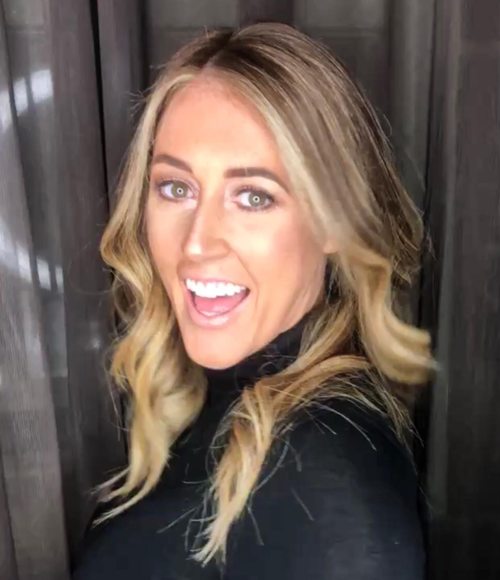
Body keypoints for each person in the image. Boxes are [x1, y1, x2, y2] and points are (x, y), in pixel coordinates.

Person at [71, 21, 437, 580]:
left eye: (253, 197)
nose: (197, 243)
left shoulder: (328, 475)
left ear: (333, 222)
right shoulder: (222, 404)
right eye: (176, 188)